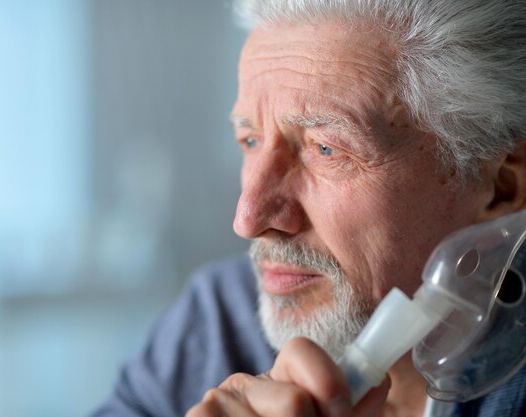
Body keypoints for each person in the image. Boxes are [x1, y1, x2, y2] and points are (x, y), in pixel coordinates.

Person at [92, 0, 526, 416]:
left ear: (500, 188)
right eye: (250, 141)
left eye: (325, 149)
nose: (249, 219)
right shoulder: (217, 323)